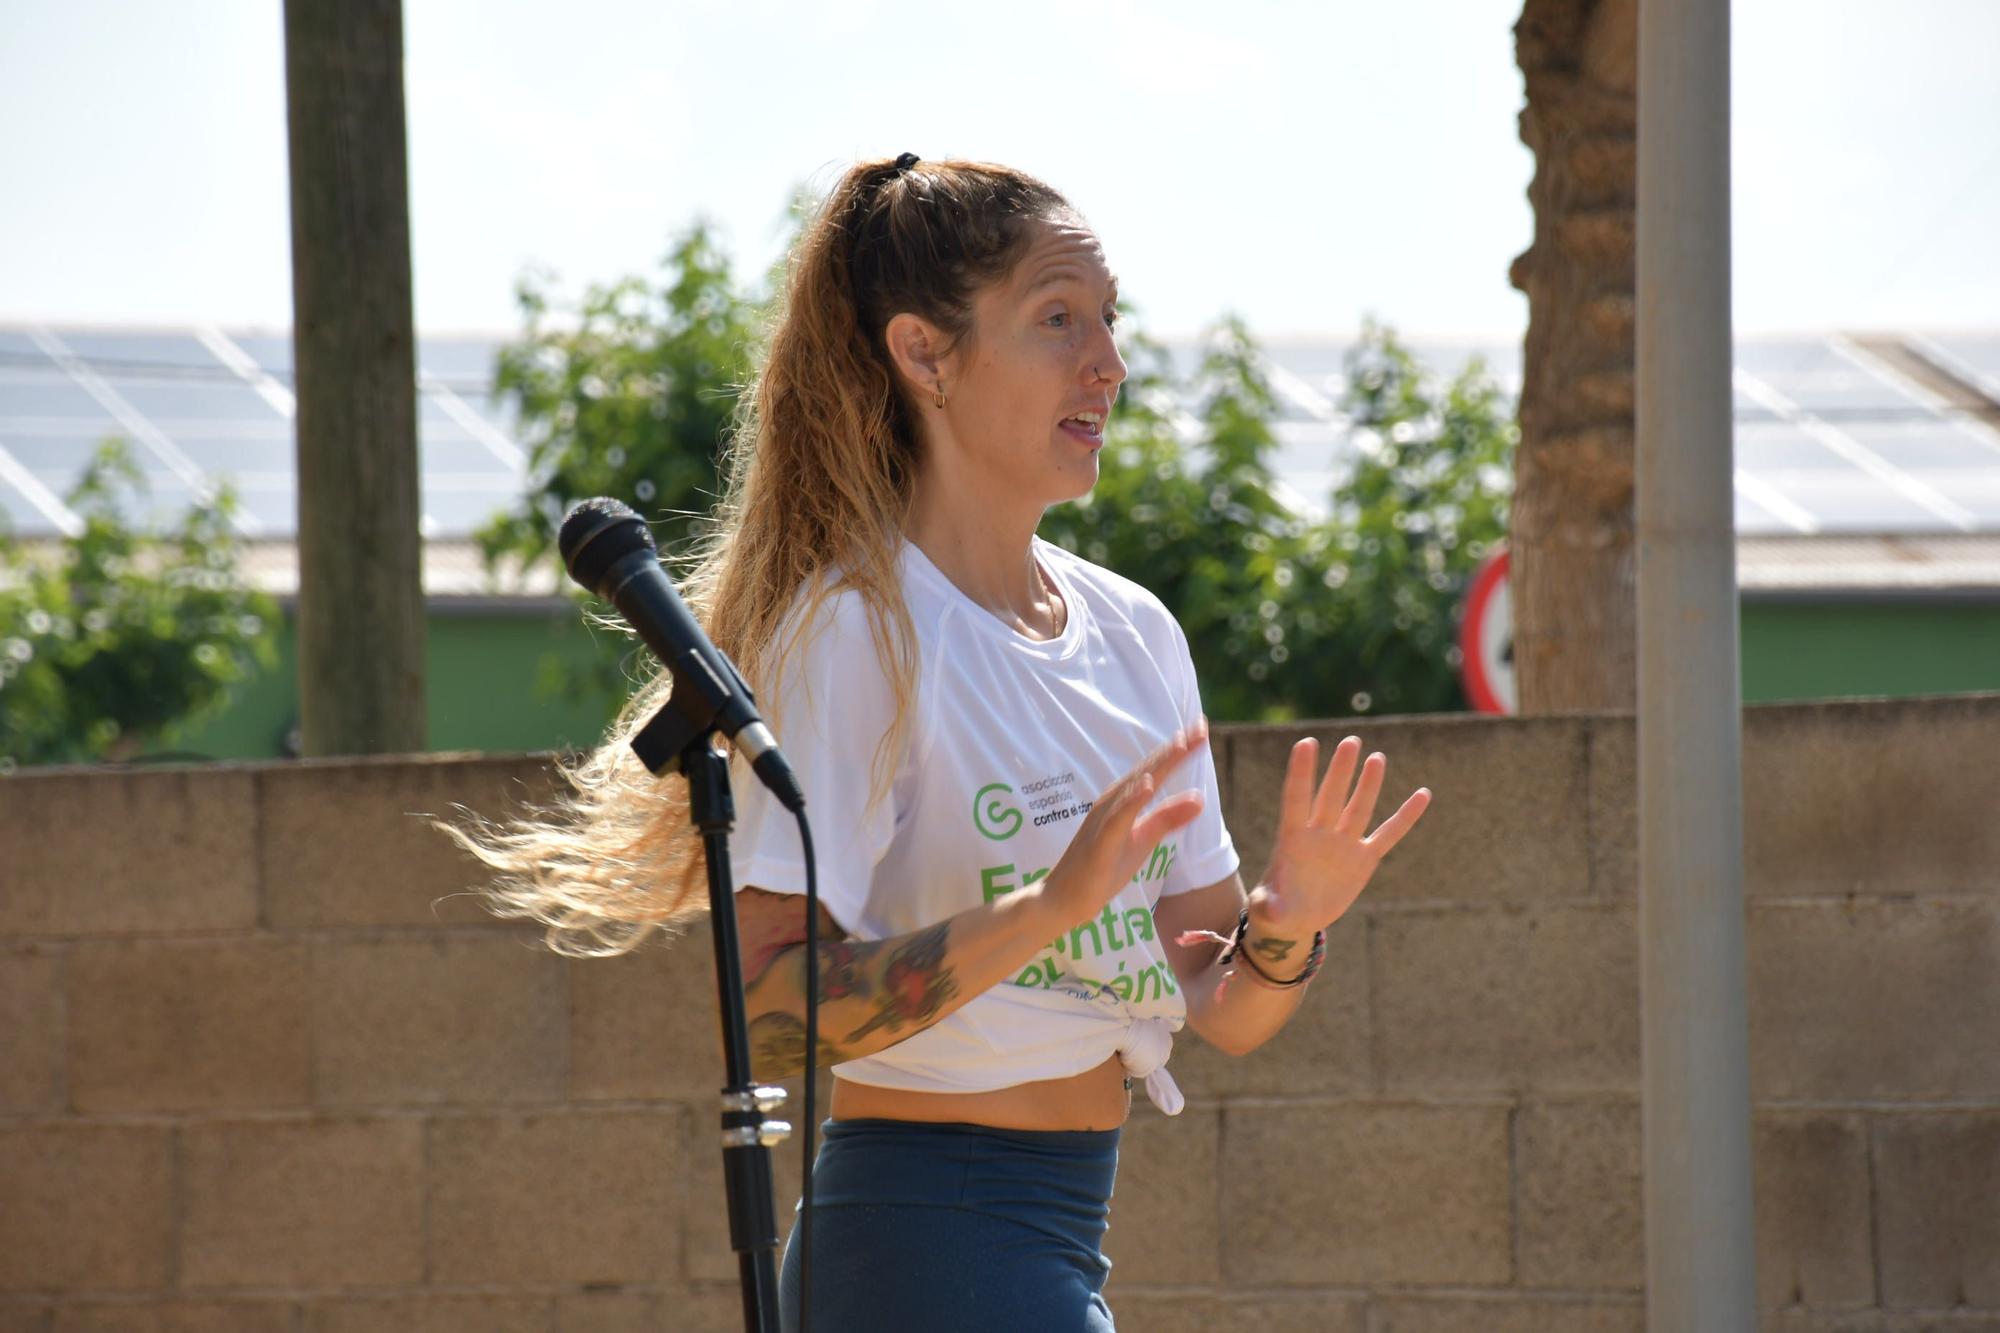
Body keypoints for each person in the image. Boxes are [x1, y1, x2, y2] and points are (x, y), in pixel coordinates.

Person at [444, 152, 1431, 1332]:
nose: (1107, 363)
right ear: (923, 354)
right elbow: (770, 1002)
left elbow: (1219, 1008)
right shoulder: (855, 634)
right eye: (1056, 319)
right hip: (920, 1236)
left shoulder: (1135, 635)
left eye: (1108, 320)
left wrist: (1289, 921)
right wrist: (1048, 908)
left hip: (1061, 1231)